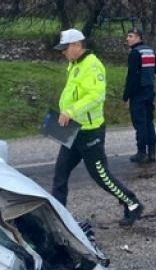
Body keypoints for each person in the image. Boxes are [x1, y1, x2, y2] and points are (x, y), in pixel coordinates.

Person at [50, 29, 145, 226]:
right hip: (73, 129)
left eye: (65, 48)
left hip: (90, 131)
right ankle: (57, 217)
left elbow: (96, 96)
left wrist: (71, 111)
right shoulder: (74, 65)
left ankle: (132, 203)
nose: (63, 53)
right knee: (60, 173)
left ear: (77, 45)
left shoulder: (92, 65)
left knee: (101, 176)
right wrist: (64, 112)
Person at [123, 28, 156, 163]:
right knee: (148, 121)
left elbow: (132, 77)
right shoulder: (149, 51)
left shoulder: (135, 53)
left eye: (130, 36)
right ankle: (152, 152)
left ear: (138, 38)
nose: (127, 39)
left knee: (140, 123)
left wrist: (126, 96)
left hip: (138, 93)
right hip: (150, 91)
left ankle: (141, 153)